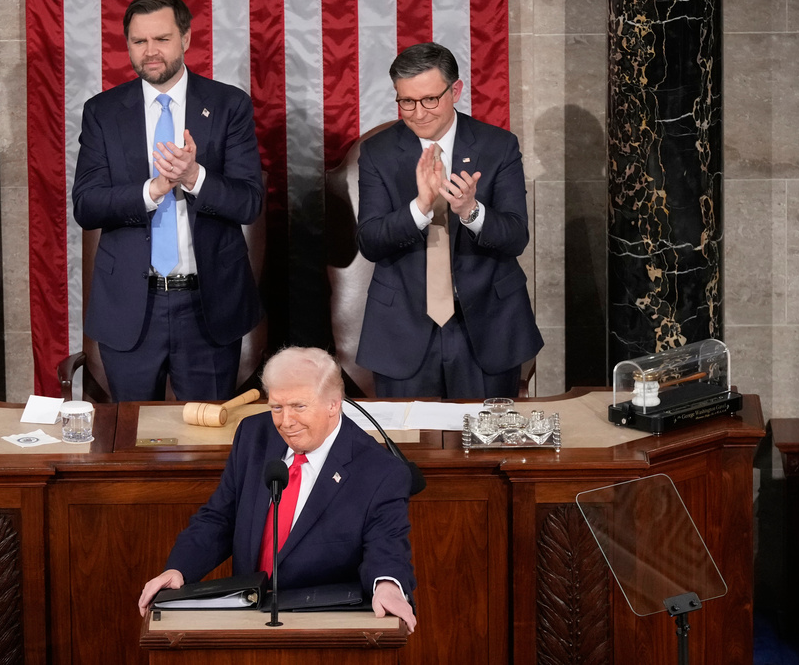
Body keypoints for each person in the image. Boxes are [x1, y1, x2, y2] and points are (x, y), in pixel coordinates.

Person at [137, 347, 417, 632]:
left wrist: (386, 585)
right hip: (247, 619)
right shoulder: (253, 436)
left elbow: (387, 547)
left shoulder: (380, 472)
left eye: (299, 406)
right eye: (276, 407)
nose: (286, 422)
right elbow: (220, 517)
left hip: (321, 626)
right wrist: (179, 568)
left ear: (333, 404)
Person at [72, 0, 263, 401]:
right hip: (130, 307)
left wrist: (194, 177)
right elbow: (86, 206)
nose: (150, 52)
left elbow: (249, 202)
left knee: (207, 443)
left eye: (161, 39)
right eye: (139, 42)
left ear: (186, 39)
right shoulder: (103, 112)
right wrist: (152, 190)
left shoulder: (228, 105)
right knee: (131, 442)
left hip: (207, 304)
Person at [356, 42, 543, 399]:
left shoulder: (497, 146)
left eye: (430, 99)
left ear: (455, 90)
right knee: (407, 450)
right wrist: (421, 207)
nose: (418, 113)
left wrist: (471, 212)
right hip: (405, 328)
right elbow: (370, 241)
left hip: (487, 325)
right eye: (406, 101)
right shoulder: (377, 153)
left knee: (485, 445)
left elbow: (516, 236)